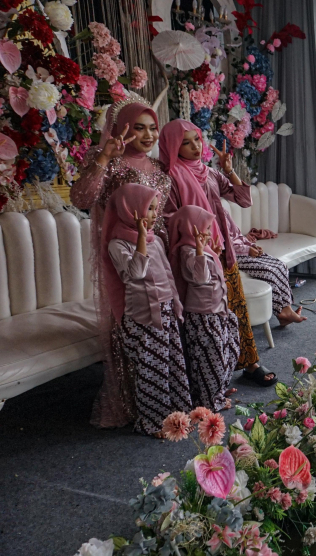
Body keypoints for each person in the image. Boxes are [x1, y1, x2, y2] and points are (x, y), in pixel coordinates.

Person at [71, 93, 171, 429]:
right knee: (130, 322)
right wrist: (104, 157)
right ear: (121, 129)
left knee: (163, 323)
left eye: (152, 128)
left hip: (158, 252)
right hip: (121, 256)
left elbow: (163, 214)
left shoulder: (158, 168)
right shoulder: (112, 162)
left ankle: (165, 397)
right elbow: (81, 198)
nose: (147, 135)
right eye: (138, 128)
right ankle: (134, 402)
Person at [159, 119, 275, 387]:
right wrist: (198, 239)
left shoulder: (209, 173)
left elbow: (244, 200)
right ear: (173, 147)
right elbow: (169, 221)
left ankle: (250, 363)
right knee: (207, 317)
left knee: (236, 307)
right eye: (185, 143)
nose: (194, 147)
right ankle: (213, 373)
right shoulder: (171, 178)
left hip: (223, 250)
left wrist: (229, 171)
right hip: (197, 256)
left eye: (197, 139)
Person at [102, 183, 191, 436]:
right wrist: (140, 238)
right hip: (143, 317)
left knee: (171, 362)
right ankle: (151, 423)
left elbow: (167, 275)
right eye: (148, 209)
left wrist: (175, 304)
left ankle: (176, 413)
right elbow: (134, 275)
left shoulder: (155, 241)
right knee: (152, 370)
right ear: (131, 210)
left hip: (165, 311)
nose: (153, 215)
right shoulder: (118, 244)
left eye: (155, 209)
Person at [168, 206, 240, 413]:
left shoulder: (201, 250)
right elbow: (200, 278)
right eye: (205, 229)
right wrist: (201, 250)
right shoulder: (187, 251)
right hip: (203, 316)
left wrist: (209, 252)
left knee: (228, 352)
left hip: (217, 312)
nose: (208, 234)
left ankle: (216, 391)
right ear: (192, 230)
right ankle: (210, 400)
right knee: (211, 360)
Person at [226, 209, 306, 326]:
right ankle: (281, 313)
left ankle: (287, 309)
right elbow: (223, 244)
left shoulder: (223, 211)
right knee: (268, 272)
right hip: (233, 255)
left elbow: (238, 235)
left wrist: (253, 246)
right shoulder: (211, 218)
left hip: (245, 250)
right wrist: (247, 250)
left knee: (281, 265)